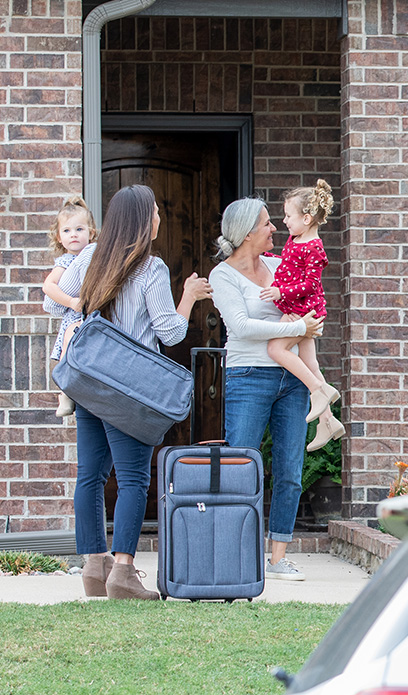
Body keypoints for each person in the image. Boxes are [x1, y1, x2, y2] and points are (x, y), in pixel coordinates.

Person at [57, 184, 213, 600]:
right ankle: (123, 571)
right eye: (156, 211)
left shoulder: (90, 257)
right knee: (132, 479)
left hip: (91, 381)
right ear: (144, 220)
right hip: (130, 389)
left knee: (89, 475)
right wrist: (189, 298)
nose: (160, 217)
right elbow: (170, 332)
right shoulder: (150, 268)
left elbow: (57, 303)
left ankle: (94, 566)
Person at [208, 198, 324, 582]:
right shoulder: (223, 276)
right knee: (241, 468)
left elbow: (306, 302)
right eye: (266, 223)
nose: (274, 228)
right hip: (248, 377)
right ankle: (238, 555)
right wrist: (297, 329)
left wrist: (307, 323)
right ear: (245, 233)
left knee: (290, 471)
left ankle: (277, 559)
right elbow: (241, 327)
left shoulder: (278, 265)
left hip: (291, 379)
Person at [260, 179, 344, 452]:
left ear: (306, 218)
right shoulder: (296, 239)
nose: (283, 221)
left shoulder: (314, 248)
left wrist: (279, 293)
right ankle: (328, 423)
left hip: (304, 310)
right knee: (311, 364)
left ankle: (320, 391)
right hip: (297, 308)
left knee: (276, 348)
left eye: (288, 216)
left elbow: (310, 284)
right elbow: (286, 266)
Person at [41, 195, 96, 418]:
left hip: (90, 316)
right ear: (59, 237)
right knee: (69, 349)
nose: (73, 234)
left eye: (79, 229)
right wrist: (72, 302)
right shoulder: (65, 261)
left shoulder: (94, 257)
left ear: (91, 233)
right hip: (74, 316)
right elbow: (48, 287)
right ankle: (65, 393)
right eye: (67, 231)